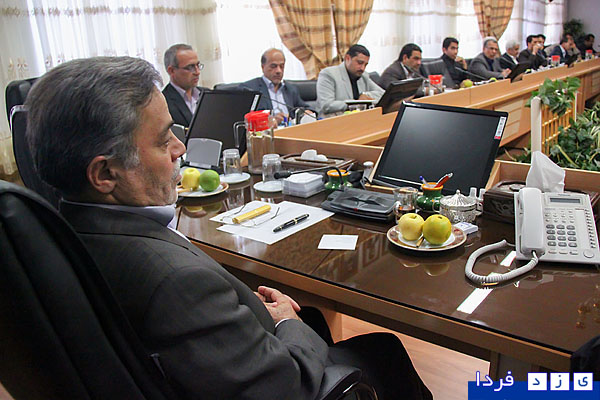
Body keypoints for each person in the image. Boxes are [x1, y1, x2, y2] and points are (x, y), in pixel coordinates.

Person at [25, 56, 432, 400]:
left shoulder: (62, 234)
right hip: (286, 378)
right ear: (105, 173)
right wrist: (286, 322)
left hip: (222, 358)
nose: (180, 149)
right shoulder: (175, 283)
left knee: (314, 319)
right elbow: (289, 387)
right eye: (164, 140)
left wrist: (253, 313)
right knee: (384, 348)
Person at [240, 48, 310, 125]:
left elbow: (304, 108)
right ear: (263, 67)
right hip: (268, 131)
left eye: (282, 66)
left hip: (290, 129)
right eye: (273, 66)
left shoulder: (290, 89)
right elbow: (245, 118)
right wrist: (270, 120)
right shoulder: (250, 88)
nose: (278, 71)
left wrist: (306, 113)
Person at [316, 44, 384, 116]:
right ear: (347, 58)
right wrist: (357, 103)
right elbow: (326, 105)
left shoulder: (363, 76)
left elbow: (383, 95)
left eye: (365, 65)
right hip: (333, 120)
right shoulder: (328, 74)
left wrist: (366, 95)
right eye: (360, 63)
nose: (362, 68)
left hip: (359, 119)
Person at [162, 43, 208, 127]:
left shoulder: (207, 94)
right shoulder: (163, 103)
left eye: (198, 65)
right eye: (190, 67)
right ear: (171, 70)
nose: (197, 72)